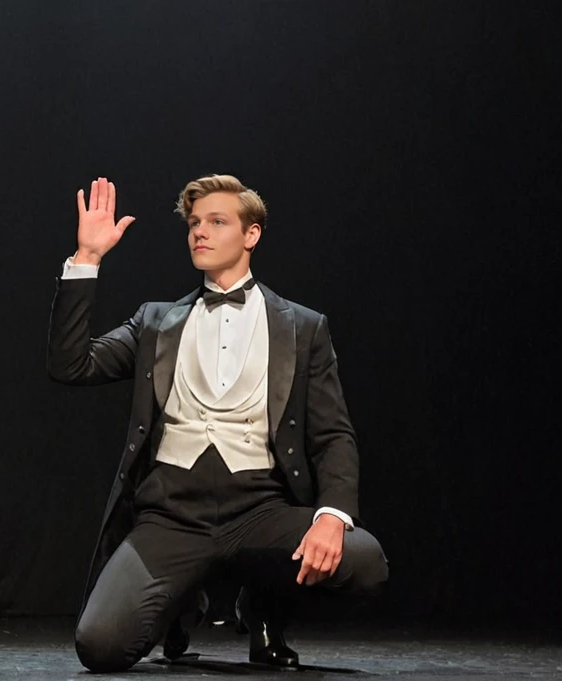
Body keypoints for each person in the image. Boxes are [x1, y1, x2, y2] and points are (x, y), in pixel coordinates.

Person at [47, 174, 388, 673]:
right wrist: (88, 259)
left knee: (363, 561)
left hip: (259, 510)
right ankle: (181, 599)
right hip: (172, 514)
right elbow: (69, 365)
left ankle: (264, 604)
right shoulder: (155, 322)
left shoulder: (303, 326)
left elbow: (333, 434)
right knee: (100, 647)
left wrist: (332, 516)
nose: (199, 232)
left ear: (251, 234)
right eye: (193, 223)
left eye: (216, 221)